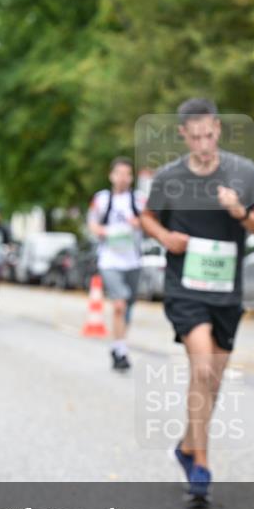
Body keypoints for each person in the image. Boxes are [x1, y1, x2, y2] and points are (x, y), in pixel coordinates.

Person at [140, 98, 254, 506]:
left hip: (226, 293)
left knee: (212, 380)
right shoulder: (169, 178)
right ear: (183, 135)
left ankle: (186, 445)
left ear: (217, 128)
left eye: (208, 134)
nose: (202, 142)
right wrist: (166, 238)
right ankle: (201, 467)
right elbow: (147, 217)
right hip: (185, 288)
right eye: (194, 136)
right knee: (201, 368)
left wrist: (240, 213)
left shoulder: (243, 172)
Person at [87, 156, 144, 371]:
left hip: (133, 260)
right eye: (119, 173)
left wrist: (138, 223)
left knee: (127, 307)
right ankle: (121, 352)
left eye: (127, 174)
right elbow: (92, 223)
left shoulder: (138, 200)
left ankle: (118, 344)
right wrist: (102, 231)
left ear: (131, 177)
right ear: (111, 176)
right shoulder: (102, 199)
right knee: (119, 304)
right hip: (109, 260)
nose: (122, 178)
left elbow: (149, 222)